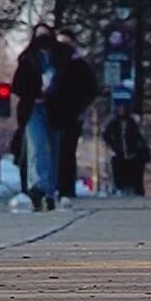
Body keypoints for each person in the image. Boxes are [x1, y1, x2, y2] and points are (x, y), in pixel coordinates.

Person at [11, 24, 68, 211]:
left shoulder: (62, 60)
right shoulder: (28, 60)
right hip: (33, 109)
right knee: (38, 146)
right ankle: (38, 188)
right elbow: (17, 85)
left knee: (53, 150)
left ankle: (50, 191)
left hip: (56, 109)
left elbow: (74, 84)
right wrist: (34, 93)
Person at [53, 29, 99, 202]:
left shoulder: (78, 65)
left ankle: (66, 188)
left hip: (72, 114)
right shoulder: (53, 62)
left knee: (67, 152)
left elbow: (91, 88)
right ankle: (54, 186)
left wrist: (80, 107)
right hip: (53, 113)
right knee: (53, 151)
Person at [102, 103, 149, 195]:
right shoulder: (114, 123)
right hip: (119, 154)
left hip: (131, 154)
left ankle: (132, 189)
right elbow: (106, 135)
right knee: (119, 172)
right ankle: (121, 188)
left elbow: (138, 138)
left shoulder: (132, 123)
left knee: (133, 174)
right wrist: (114, 145)